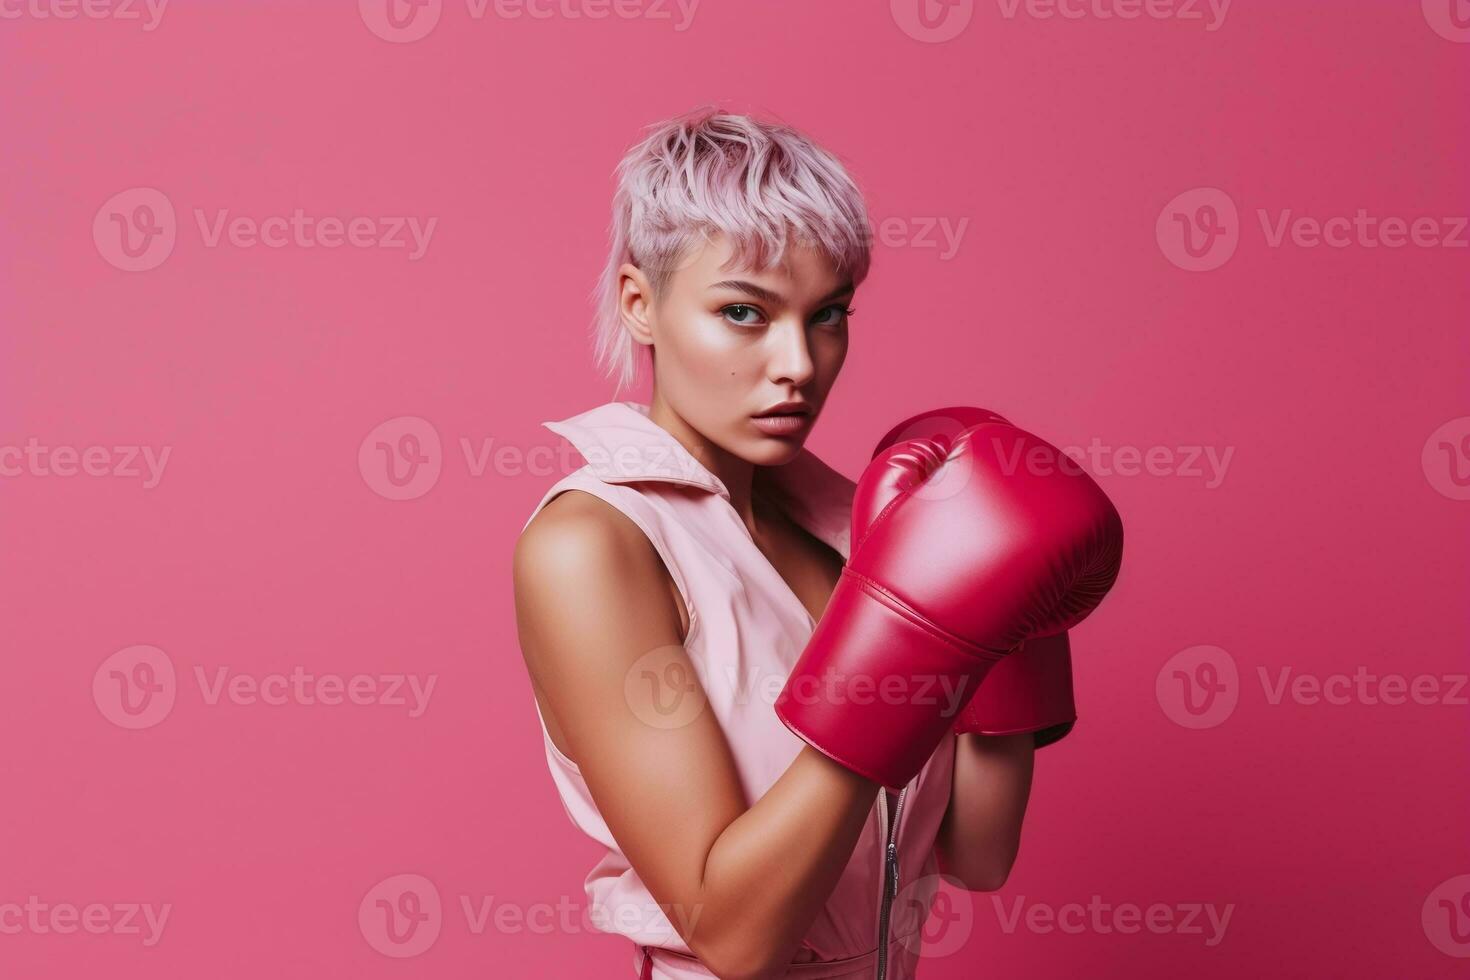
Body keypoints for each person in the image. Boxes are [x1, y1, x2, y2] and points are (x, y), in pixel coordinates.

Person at [513, 108, 1095, 979]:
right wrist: (901, 654)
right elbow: (734, 933)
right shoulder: (595, 548)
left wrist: (1014, 616)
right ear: (641, 302)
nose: (798, 363)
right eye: (744, 312)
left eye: (827, 315)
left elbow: (978, 853)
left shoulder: (859, 536)